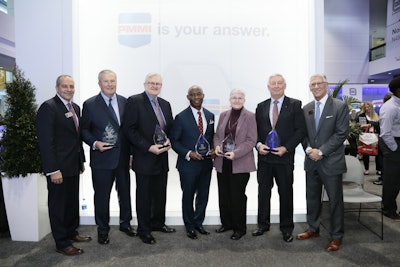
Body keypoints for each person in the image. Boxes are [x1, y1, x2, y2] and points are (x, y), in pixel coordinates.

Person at [36, 75, 91, 256]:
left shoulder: (75, 107)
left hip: (73, 165)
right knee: (58, 205)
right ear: (57, 88)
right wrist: (53, 170)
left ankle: (71, 233)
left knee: (71, 202)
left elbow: (77, 138)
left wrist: (80, 160)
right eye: (65, 86)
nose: (69, 89)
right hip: (58, 168)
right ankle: (61, 242)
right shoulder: (49, 107)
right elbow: (46, 142)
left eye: (71, 86)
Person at [81, 70, 136, 245]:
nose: (110, 84)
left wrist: (132, 154)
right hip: (102, 159)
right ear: (99, 84)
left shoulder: (125, 102)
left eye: (113, 81)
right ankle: (103, 230)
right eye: (106, 81)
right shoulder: (90, 104)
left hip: (123, 157)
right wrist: (95, 143)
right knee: (102, 196)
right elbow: (83, 130)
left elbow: (129, 130)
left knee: (125, 193)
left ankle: (125, 224)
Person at [297, 74, 349, 252]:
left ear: (326, 85)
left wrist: (321, 151)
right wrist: (308, 150)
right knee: (312, 198)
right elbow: (302, 134)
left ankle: (336, 236)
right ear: (310, 88)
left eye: (319, 83)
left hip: (331, 162)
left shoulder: (339, 106)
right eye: (313, 84)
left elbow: (341, 133)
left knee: (335, 201)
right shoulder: (307, 108)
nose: (316, 86)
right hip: (311, 161)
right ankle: (313, 228)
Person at [122, 72, 175, 245]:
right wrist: (148, 147)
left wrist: (169, 141)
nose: (154, 86)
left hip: (162, 158)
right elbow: (129, 130)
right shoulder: (134, 101)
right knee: (144, 195)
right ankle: (144, 230)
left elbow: (170, 128)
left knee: (160, 193)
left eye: (158, 84)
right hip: (144, 157)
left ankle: (158, 223)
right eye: (151, 83)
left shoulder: (165, 104)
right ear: (144, 84)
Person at [252, 74, 306, 243]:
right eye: (272, 84)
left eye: (279, 83)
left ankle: (286, 228)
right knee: (263, 193)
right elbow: (255, 132)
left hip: (284, 159)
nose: (276, 86)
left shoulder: (295, 105)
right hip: (265, 158)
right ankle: (262, 225)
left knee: (285, 193)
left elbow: (300, 131)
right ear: (268, 87)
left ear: (285, 85)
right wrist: (259, 145)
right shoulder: (261, 106)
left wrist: (287, 148)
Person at [170, 85, 215, 240]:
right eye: (193, 94)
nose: (196, 97)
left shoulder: (210, 116)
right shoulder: (181, 117)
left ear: (203, 96)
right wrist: (189, 153)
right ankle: (189, 226)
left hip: (206, 164)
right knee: (188, 196)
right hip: (188, 165)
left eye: (199, 94)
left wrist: (214, 150)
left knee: (203, 195)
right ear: (188, 97)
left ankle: (198, 223)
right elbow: (174, 142)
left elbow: (211, 139)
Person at [214, 89, 257, 240]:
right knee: (224, 194)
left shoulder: (250, 116)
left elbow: (252, 140)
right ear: (229, 100)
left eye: (240, 98)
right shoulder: (223, 115)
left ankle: (239, 228)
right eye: (234, 98)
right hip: (222, 162)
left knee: (237, 196)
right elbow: (218, 136)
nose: (237, 100)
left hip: (240, 163)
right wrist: (218, 147)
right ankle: (226, 223)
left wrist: (236, 153)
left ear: (244, 100)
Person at [379, 76, 400, 220]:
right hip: (393, 143)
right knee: (392, 180)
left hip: (396, 142)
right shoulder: (390, 107)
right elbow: (385, 133)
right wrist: (395, 149)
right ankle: (388, 209)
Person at [373, 92, 392, 185]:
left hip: (386, 139)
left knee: (384, 160)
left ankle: (384, 179)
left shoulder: (386, 109)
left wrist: (371, 124)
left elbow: (382, 124)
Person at [356, 101, 380, 175]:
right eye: (365, 107)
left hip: (374, 135)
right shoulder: (361, 116)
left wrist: (368, 125)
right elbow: (359, 125)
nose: (367, 108)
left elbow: (379, 125)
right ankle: (366, 169)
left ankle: (378, 169)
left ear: (371, 107)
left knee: (376, 152)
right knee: (365, 152)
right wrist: (363, 126)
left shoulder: (376, 115)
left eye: (368, 107)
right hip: (365, 135)